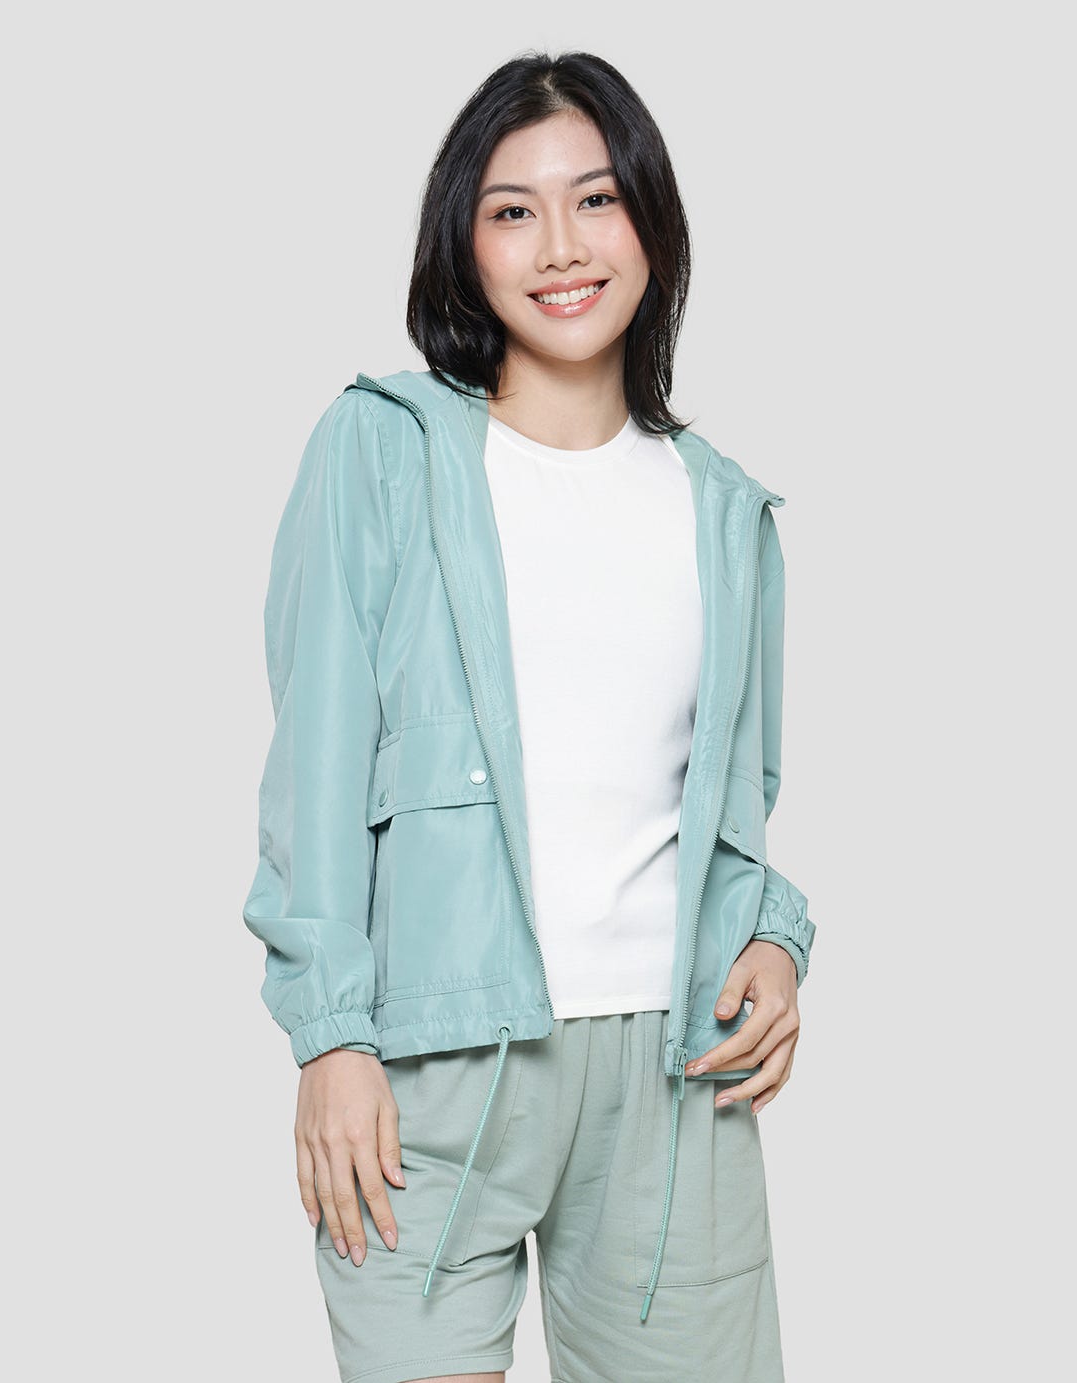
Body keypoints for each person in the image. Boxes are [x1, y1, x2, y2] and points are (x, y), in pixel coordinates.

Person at [242, 49, 817, 1383]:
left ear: (652, 223)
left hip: (677, 1078)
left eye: (596, 199)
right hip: (430, 1068)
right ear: (465, 244)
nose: (560, 246)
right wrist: (331, 1036)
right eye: (513, 210)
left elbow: (734, 812)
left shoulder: (727, 511)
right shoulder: (382, 450)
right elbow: (313, 772)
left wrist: (776, 943)